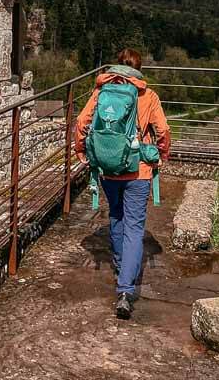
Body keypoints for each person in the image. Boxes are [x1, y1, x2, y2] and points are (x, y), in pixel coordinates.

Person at [74, 48, 171, 319]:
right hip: (138, 170)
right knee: (135, 226)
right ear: (139, 69)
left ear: (118, 66)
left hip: (108, 168)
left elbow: (82, 122)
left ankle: (120, 265)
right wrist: (162, 155)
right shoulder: (147, 95)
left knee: (116, 215)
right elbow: (162, 130)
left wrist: (82, 151)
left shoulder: (103, 91)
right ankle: (126, 289)